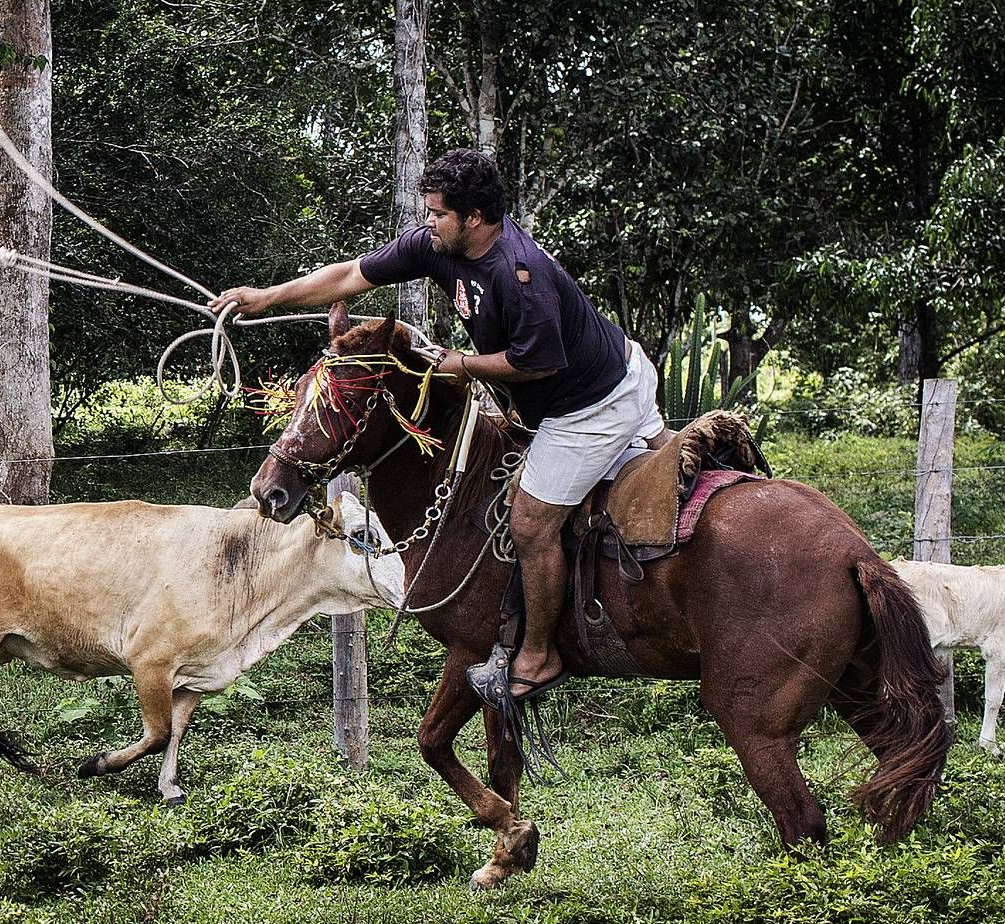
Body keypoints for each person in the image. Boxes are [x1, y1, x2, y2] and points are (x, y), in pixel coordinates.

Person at [208, 148, 664, 709]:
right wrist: (265, 297)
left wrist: (458, 364)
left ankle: (539, 654)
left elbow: (535, 363)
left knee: (530, 521)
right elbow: (352, 274)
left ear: (473, 217)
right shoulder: (438, 246)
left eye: (437, 212)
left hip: (592, 405)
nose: (427, 221)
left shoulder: (521, 275)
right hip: (592, 376)